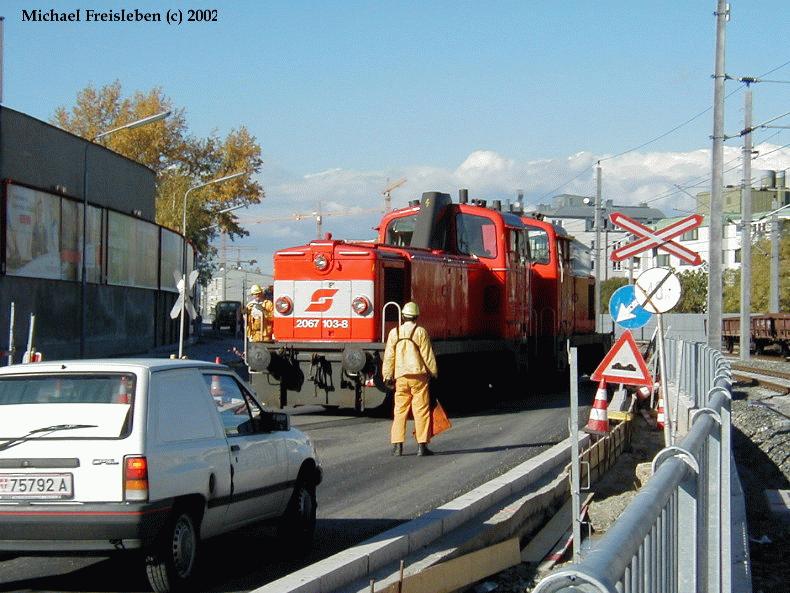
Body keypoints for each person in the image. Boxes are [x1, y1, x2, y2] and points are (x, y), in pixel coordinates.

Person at [382, 301, 438, 457]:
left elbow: (389, 357)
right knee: (421, 411)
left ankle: (397, 446)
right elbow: (427, 355)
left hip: (401, 377)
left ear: (403, 316)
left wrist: (387, 375)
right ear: (416, 316)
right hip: (418, 377)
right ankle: (422, 446)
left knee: (399, 411)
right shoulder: (420, 332)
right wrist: (434, 372)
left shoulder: (394, 333)